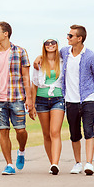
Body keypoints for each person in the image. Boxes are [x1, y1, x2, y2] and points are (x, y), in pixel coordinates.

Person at [33, 25, 94, 175]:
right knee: (74, 133)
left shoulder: (91, 56)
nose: (67, 38)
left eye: (70, 36)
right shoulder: (65, 53)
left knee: (88, 131)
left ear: (79, 39)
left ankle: (89, 164)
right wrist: (39, 57)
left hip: (87, 98)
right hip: (69, 99)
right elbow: (49, 54)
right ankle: (78, 163)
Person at [0, 21, 34, 175]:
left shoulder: (20, 52)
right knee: (3, 131)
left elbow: (26, 76)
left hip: (17, 97)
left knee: (21, 131)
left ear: (6, 34)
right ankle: (9, 164)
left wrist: (29, 98)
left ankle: (22, 150)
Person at [30, 38, 65, 175]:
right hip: (41, 100)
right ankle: (52, 164)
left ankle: (55, 163)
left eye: (53, 43)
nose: (50, 45)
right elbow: (34, 84)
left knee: (54, 132)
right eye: (47, 43)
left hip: (58, 98)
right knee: (46, 134)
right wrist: (32, 105)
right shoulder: (38, 63)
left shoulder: (63, 61)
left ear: (57, 45)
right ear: (43, 46)